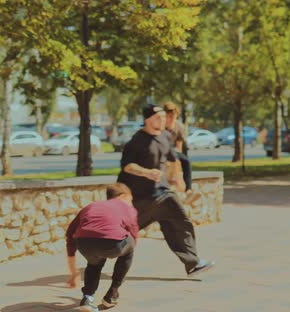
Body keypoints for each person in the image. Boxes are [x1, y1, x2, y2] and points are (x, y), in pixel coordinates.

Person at [117, 104, 215, 277]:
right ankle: (104, 249)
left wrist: (179, 179)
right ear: (147, 120)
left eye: (163, 117)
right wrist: (146, 172)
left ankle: (193, 263)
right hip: (140, 196)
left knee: (178, 223)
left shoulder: (165, 136)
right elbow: (127, 166)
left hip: (161, 192)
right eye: (158, 118)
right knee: (126, 232)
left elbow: (172, 159)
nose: (162, 120)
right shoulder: (136, 141)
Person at [66, 183, 139, 312]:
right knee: (131, 245)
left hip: (84, 244)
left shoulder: (91, 206)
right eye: (131, 200)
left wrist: (74, 272)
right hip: (113, 244)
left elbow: (70, 234)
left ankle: (87, 299)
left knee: (94, 263)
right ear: (123, 196)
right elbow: (133, 230)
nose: (131, 203)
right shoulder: (125, 206)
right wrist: (129, 247)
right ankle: (112, 294)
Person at [163, 101, 200, 205]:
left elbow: (179, 146)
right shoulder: (160, 125)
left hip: (172, 150)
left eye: (173, 116)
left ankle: (188, 190)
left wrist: (177, 159)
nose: (171, 119)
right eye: (168, 116)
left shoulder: (179, 127)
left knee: (186, 161)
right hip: (160, 150)